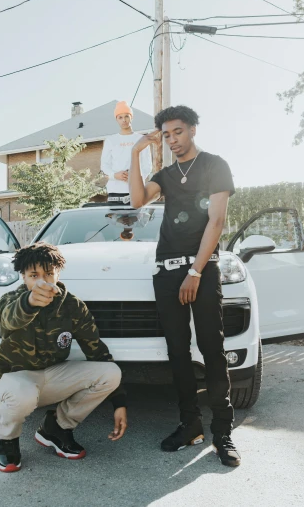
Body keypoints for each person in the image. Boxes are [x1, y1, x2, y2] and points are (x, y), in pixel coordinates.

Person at [128, 105, 240, 467]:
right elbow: (136, 200)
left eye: (177, 132)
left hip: (201, 271)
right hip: (166, 271)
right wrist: (135, 153)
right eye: (166, 134)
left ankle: (222, 431)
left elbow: (217, 219)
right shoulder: (165, 174)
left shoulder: (214, 165)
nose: (172, 139)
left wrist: (195, 271)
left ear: (192, 129)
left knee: (212, 348)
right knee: (177, 351)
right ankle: (190, 424)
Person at [0, 242, 127, 473]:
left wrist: (119, 403)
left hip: (51, 376)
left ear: (57, 273)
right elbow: (10, 319)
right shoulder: (10, 301)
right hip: (11, 381)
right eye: (34, 275)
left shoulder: (72, 306)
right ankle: (7, 441)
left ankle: (56, 428)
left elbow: (97, 351)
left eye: (49, 274)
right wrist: (30, 302)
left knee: (111, 373)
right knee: (23, 393)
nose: (43, 281)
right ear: (23, 277)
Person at [100, 100, 152, 203]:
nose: (124, 120)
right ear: (116, 119)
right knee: (115, 219)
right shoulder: (110, 140)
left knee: (135, 219)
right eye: (120, 117)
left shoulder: (142, 139)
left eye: (127, 116)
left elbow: (147, 166)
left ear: (131, 117)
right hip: (114, 192)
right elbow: (104, 165)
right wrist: (115, 175)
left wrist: (135, 178)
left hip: (136, 191)